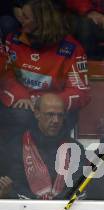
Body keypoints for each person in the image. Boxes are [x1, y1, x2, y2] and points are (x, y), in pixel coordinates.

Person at [0, 0, 89, 134]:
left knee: (59, 118)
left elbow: (80, 91)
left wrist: (47, 104)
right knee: (20, 115)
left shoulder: (72, 49)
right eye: (21, 15)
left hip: (54, 109)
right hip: (23, 106)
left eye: (26, 17)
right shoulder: (13, 41)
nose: (20, 20)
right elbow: (5, 76)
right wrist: (20, 96)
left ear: (42, 20)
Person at [2, 93, 84, 199]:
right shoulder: (17, 145)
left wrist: (52, 204)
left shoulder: (75, 148)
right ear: (37, 114)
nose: (56, 120)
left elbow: (78, 187)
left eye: (60, 115)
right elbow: (15, 185)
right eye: (50, 114)